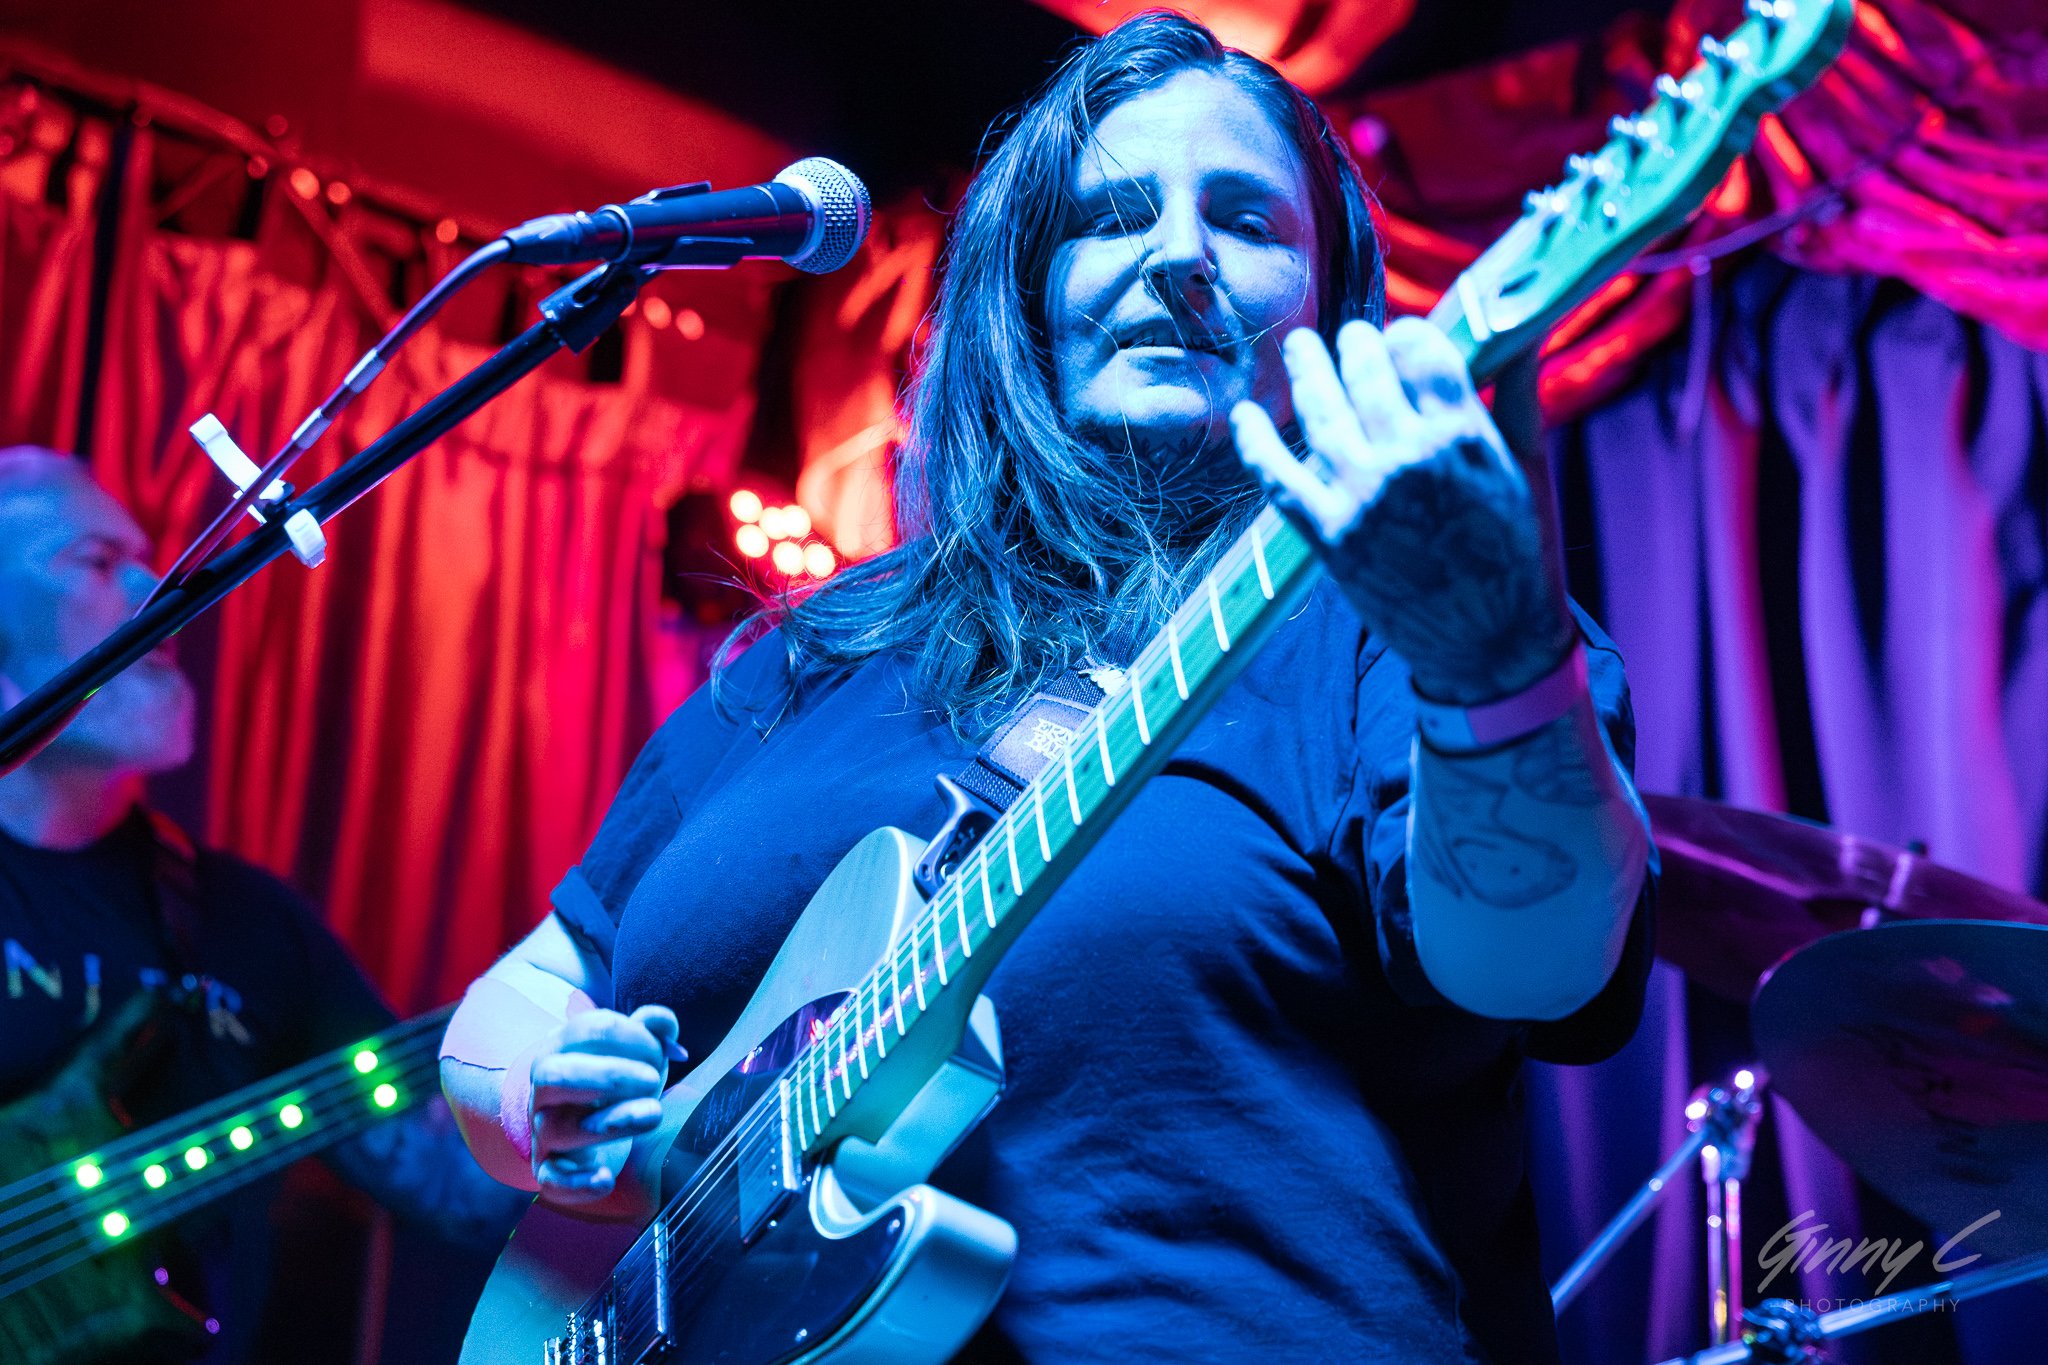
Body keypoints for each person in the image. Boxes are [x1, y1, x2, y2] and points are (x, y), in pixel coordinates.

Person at [442, 14, 1655, 1364]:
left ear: (1327, 305)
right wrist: (534, 1096)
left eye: (1246, 220)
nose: (1181, 255)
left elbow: (1544, 968)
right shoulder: (821, 647)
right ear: (1024, 293)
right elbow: (535, 986)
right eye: (1112, 216)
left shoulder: (1394, 618)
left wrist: (1491, 655)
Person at [0, 445, 523, 1364]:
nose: (155, 587)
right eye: (97, 558)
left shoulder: (247, 924)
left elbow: (456, 1186)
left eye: (147, 557)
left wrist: (572, 1095)